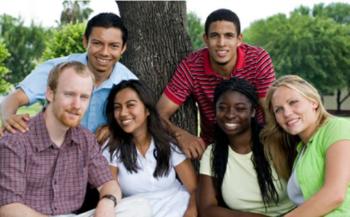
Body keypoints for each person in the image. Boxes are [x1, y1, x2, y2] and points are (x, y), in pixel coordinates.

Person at [0, 62, 151, 217]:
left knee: (140, 206)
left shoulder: (85, 139)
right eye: (69, 94)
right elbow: (8, 208)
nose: (77, 105)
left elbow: (108, 183)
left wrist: (107, 201)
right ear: (50, 94)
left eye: (84, 97)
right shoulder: (16, 140)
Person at [157, 8, 275, 159]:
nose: (221, 43)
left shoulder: (258, 59)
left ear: (239, 39)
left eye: (228, 36)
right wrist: (180, 135)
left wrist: (268, 151)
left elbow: (269, 112)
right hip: (215, 146)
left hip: (256, 141)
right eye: (214, 36)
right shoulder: (192, 66)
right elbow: (159, 113)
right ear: (206, 39)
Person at [0, 12, 136, 141]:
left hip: (101, 157)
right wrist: (8, 117)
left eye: (113, 46)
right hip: (52, 151)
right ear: (85, 41)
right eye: (97, 43)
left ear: (123, 48)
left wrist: (115, 129)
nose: (105, 52)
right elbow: (15, 97)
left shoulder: (130, 83)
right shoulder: (57, 68)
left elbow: (141, 124)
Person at [198, 77, 294, 217]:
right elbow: (207, 209)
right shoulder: (212, 153)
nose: (230, 114)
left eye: (240, 108)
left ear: (253, 111)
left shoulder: (276, 141)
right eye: (222, 108)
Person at [102, 79, 198, 217]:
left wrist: (191, 211)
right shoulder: (112, 148)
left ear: (147, 110)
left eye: (130, 105)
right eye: (117, 107)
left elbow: (194, 188)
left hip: (178, 208)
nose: (123, 113)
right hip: (136, 211)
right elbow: (109, 192)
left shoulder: (168, 144)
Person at [261, 75, 350, 216]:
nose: (287, 113)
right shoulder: (302, 150)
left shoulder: (337, 128)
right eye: (278, 110)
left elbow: (334, 194)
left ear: (313, 102)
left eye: (293, 102)